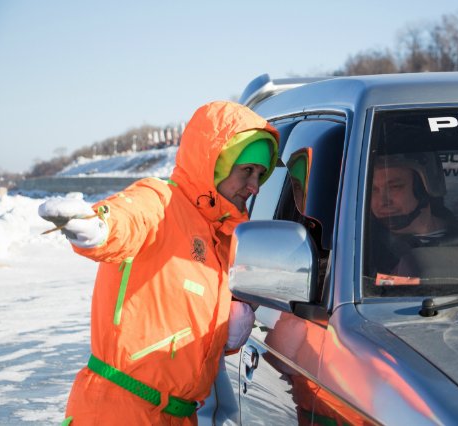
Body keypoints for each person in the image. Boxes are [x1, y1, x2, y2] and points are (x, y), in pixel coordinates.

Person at [38, 101, 279, 425]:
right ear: (215, 163)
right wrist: (99, 226)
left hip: (180, 414)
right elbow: (130, 217)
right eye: (246, 170)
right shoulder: (162, 202)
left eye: (261, 174)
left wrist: (226, 327)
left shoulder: (223, 238)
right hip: (120, 411)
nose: (254, 186)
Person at [369, 153, 458, 274]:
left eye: (394, 187)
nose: (382, 201)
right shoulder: (362, 245)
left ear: (423, 188)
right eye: (373, 190)